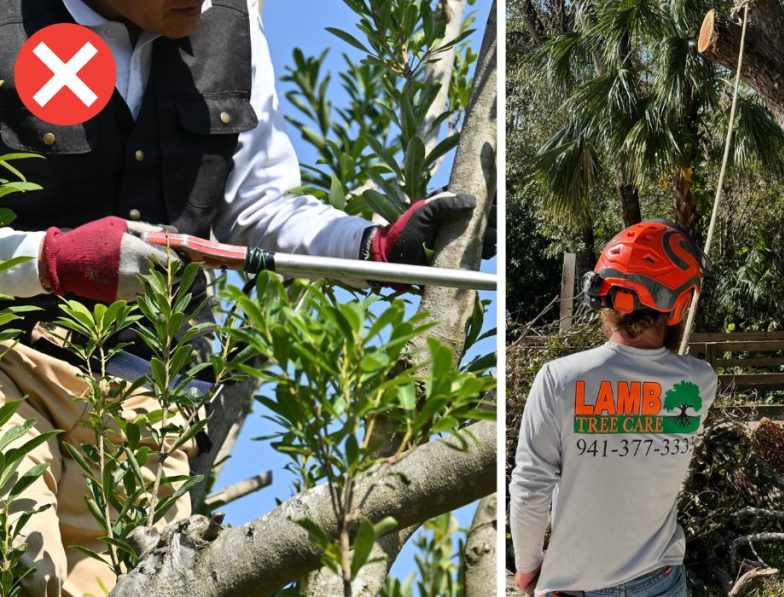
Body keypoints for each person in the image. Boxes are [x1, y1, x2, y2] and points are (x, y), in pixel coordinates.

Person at [0, 0, 494, 594]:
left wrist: (376, 247)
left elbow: (259, 206)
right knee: (23, 573)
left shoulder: (231, 25)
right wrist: (50, 260)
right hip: (9, 365)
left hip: (147, 402)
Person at [509, 221, 716, 597]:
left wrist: (527, 566)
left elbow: (530, 486)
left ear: (603, 296)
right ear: (680, 304)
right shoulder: (701, 382)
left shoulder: (560, 379)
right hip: (661, 580)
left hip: (575, 584)